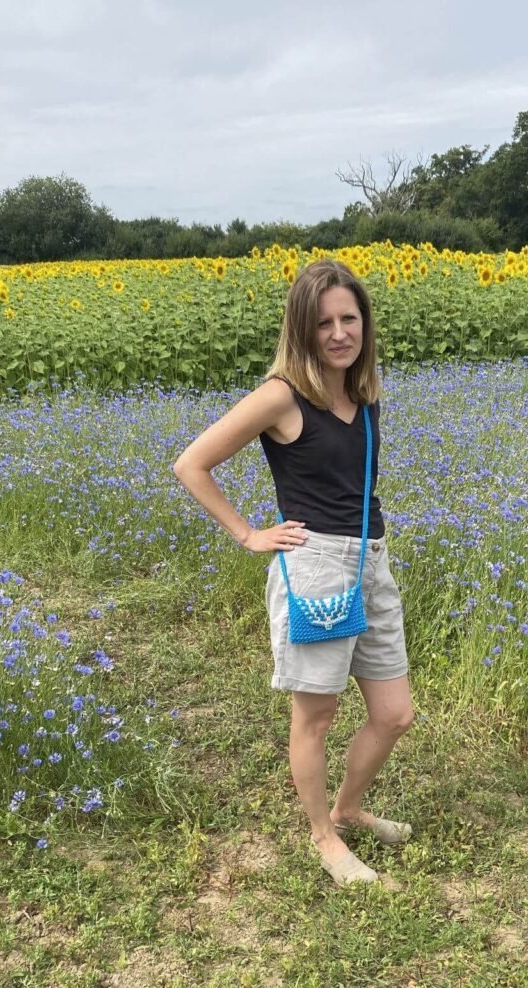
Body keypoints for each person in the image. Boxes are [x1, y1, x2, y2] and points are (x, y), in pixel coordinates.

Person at [173, 259, 414, 885]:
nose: (338, 333)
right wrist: (250, 533)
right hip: (315, 567)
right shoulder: (283, 394)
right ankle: (323, 837)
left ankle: (350, 809)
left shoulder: (363, 393)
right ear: (301, 330)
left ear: (364, 323)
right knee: (316, 716)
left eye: (349, 319)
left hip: (370, 561)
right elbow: (192, 464)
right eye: (323, 322)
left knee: (393, 713)